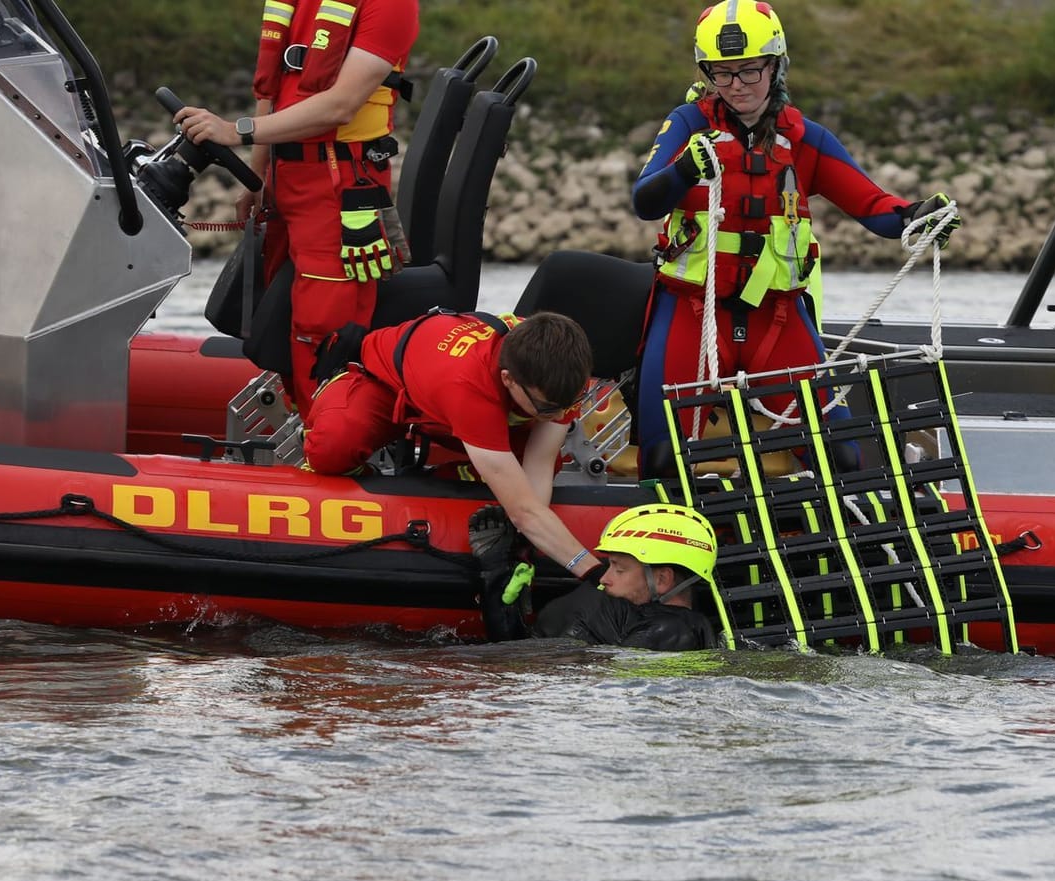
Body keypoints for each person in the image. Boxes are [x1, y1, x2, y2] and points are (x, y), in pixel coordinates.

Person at [629, 1, 961, 474]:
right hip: (691, 311)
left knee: (840, 455)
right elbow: (645, 202)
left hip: (777, 317)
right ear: (706, 74)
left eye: (749, 71)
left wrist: (919, 216)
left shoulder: (806, 139)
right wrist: (685, 169)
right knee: (661, 456)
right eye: (723, 75)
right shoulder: (687, 125)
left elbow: (874, 207)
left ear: (776, 65)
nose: (737, 86)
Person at [173, 0, 420, 413]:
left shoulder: (392, 5)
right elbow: (271, 90)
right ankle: (305, 434)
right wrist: (257, 180)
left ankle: (330, 443)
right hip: (284, 178)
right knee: (284, 316)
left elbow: (341, 105)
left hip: (340, 185)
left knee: (322, 331)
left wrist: (236, 132)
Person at [305, 309, 603, 583]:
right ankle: (374, 479)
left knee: (531, 473)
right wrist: (593, 572)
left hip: (458, 404)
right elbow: (524, 511)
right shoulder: (470, 386)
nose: (561, 416)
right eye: (549, 408)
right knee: (332, 448)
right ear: (508, 380)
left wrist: (526, 542)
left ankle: (439, 481)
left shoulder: (561, 377)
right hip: (387, 385)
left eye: (571, 404)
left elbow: (538, 468)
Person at [472, 503, 720, 651]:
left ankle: (494, 577)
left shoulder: (673, 632)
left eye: (619, 569)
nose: (603, 578)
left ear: (663, 579)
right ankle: (495, 577)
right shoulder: (625, 608)